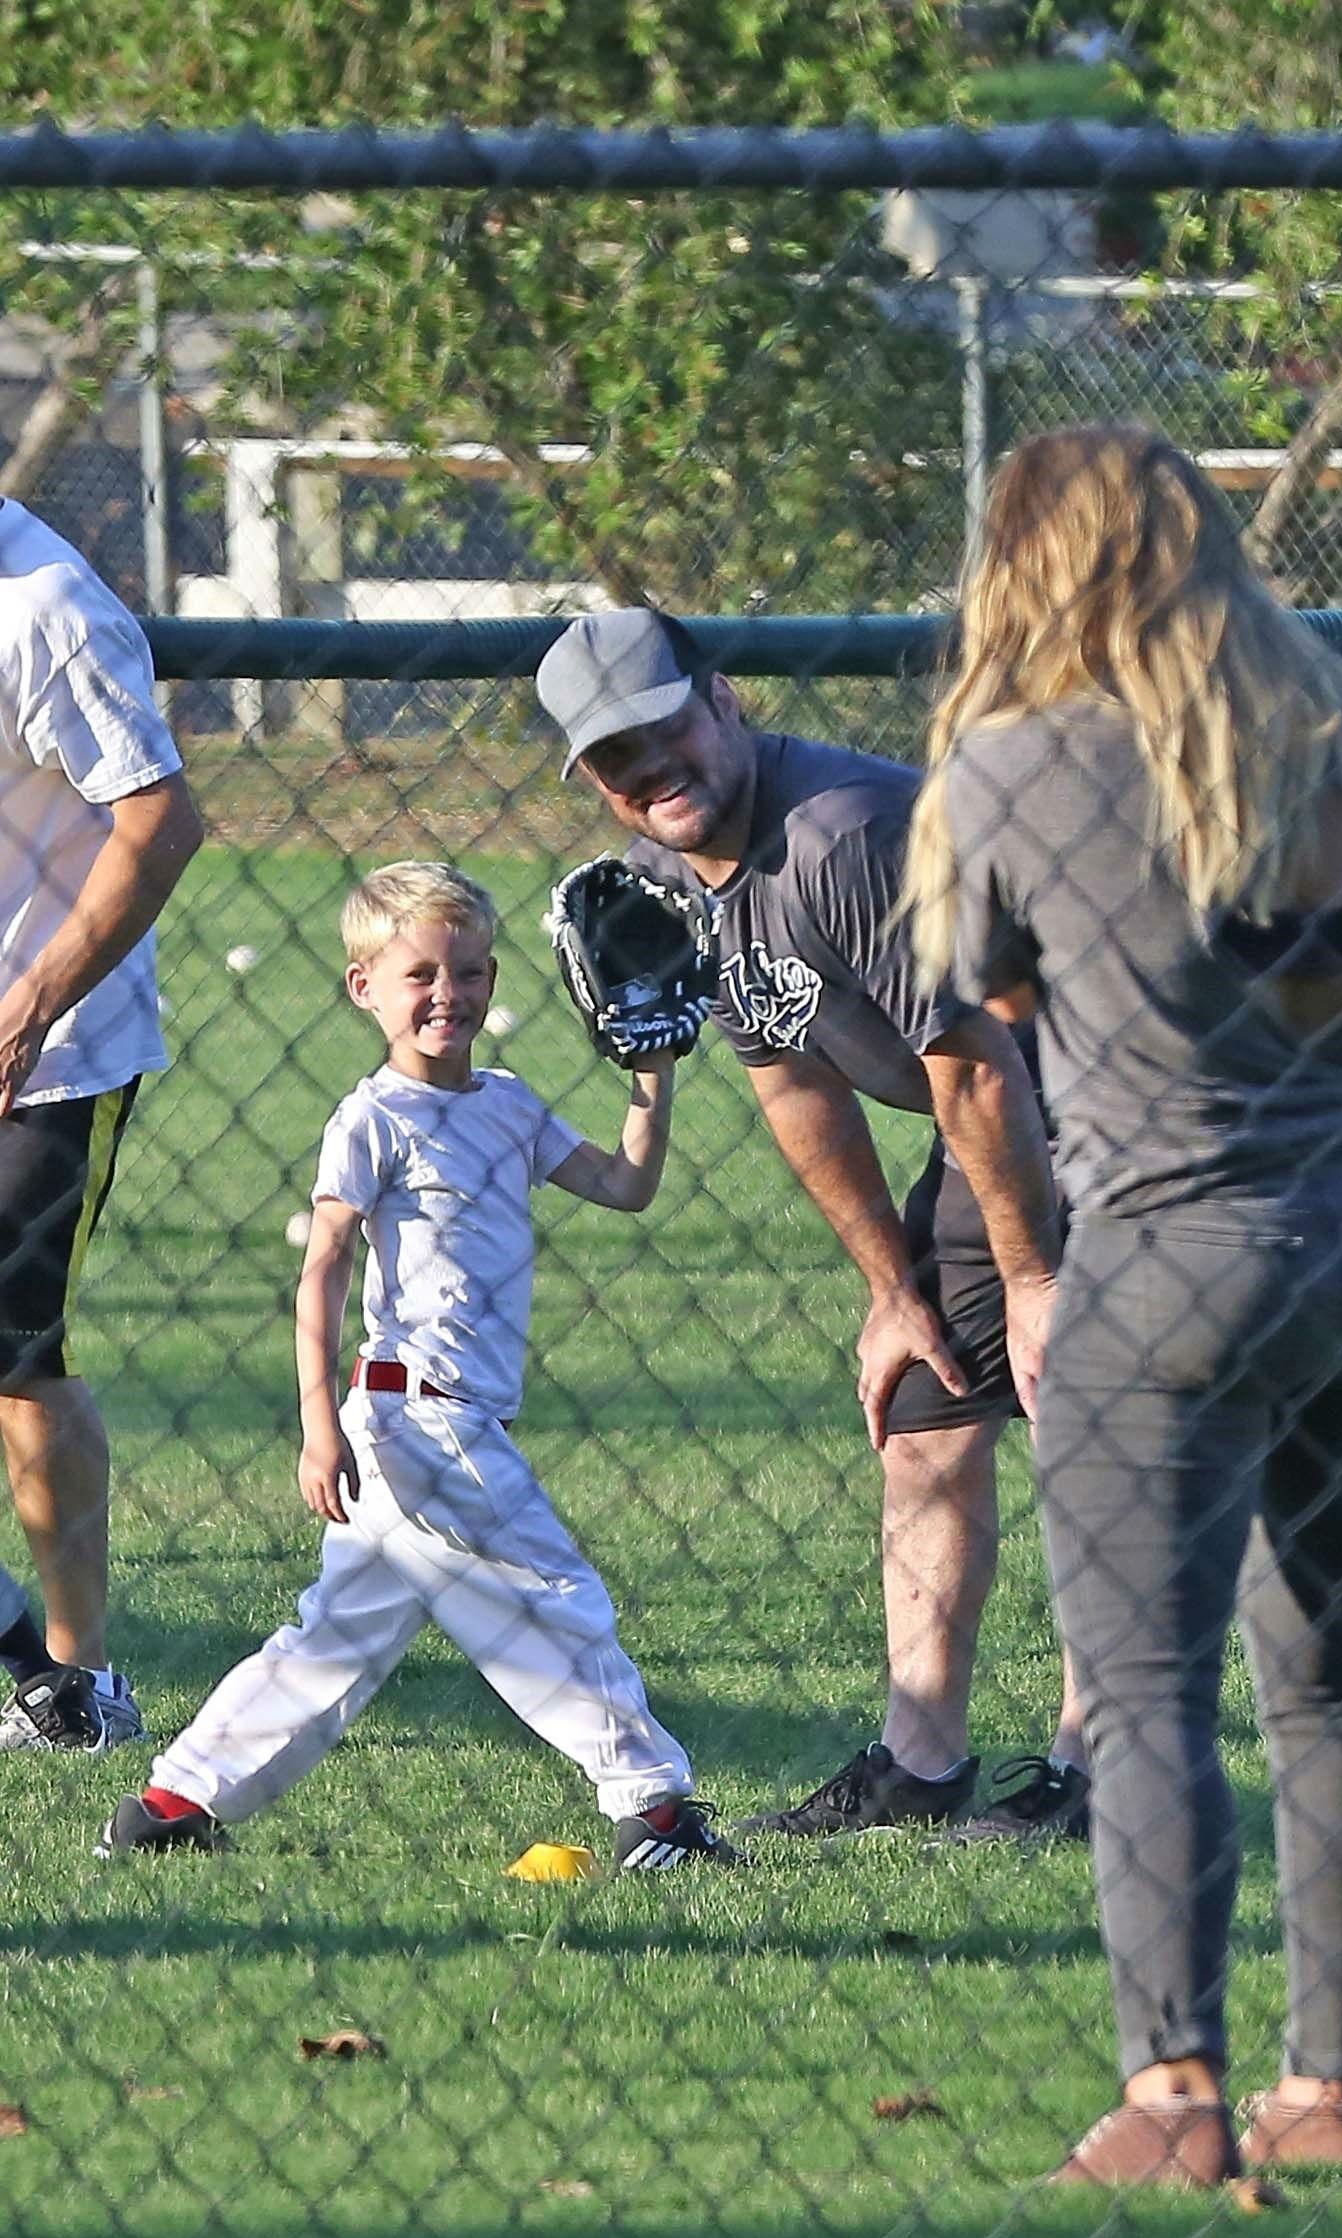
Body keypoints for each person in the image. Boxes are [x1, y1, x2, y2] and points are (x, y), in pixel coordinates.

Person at [905, 423, 1342, 2184]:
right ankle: (1324, 2091)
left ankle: (1169, 2092)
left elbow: (965, 1015)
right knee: (1326, 1683)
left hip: (1167, 1249)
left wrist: (1024, 1256)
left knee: (1144, 1690)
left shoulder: (1009, 761)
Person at [536, 610, 1090, 1846]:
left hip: (1141, 1094)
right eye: (609, 758)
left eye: (659, 727)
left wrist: (1034, 1274)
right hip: (1012, 1114)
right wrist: (895, 1288)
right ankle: (920, 1760)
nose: (644, 769)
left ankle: (1101, 1770)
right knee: (926, 1413)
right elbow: (788, 1076)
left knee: (1095, 1418)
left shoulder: (841, 835)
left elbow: (975, 1064)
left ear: (723, 698)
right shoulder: (681, 872)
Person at [100, 861, 735, 1870]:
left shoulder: (510, 1104)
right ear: (365, 989)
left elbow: (626, 1185)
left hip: (444, 1421)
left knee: (333, 1642)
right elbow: (322, 1276)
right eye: (422, 975)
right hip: (417, 1418)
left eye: (472, 971)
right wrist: (317, 1422)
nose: (452, 994)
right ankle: (654, 1809)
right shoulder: (373, 1118)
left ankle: (172, 1803)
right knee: (556, 1594)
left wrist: (650, 1074)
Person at [0, 494, 202, 1752]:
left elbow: (160, 821)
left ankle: (76, 1681)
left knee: (20, 1363)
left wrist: (26, 1006)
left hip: (46, 1057)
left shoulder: (47, 605)